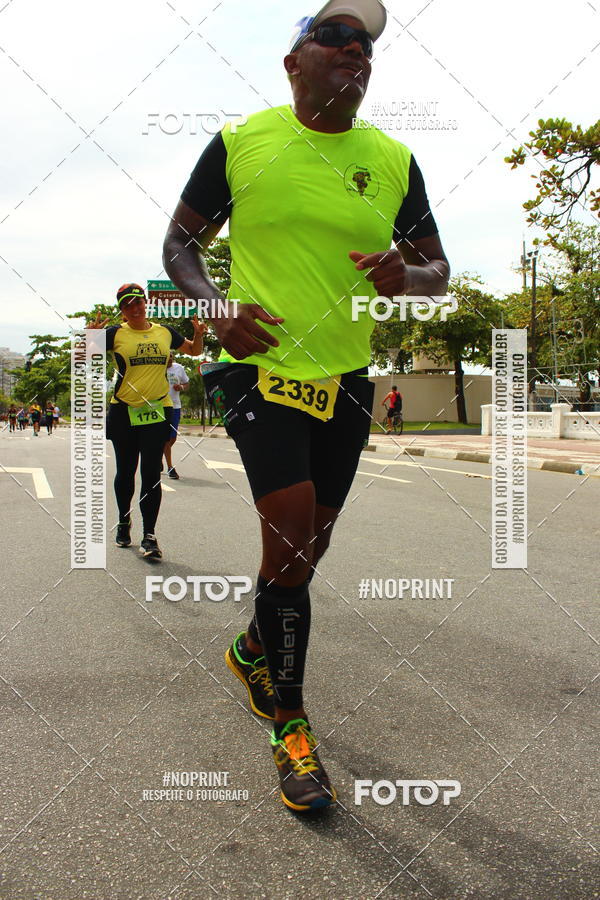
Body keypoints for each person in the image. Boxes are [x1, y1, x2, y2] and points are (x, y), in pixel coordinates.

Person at [163, 0, 449, 811]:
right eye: (335, 36)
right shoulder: (241, 143)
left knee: (305, 555)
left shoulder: (394, 160)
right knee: (290, 541)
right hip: (261, 367)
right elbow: (180, 243)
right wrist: (212, 306)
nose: (354, 50)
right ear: (295, 61)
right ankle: (291, 727)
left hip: (347, 382)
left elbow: (439, 267)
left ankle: (256, 645)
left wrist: (409, 275)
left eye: (364, 45)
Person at [88, 284, 207, 558]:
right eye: (128, 305)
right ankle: (123, 519)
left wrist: (198, 335)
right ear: (122, 311)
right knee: (126, 471)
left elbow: (194, 351)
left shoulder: (164, 332)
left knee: (151, 474)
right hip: (124, 411)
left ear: (145, 303)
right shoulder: (115, 334)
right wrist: (90, 337)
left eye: (138, 302)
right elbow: (83, 356)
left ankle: (150, 536)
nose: (135, 308)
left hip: (157, 410)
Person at [163, 353, 190, 479]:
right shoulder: (156, 368)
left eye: (171, 357)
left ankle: (159, 455)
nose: (169, 360)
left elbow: (187, 383)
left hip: (175, 407)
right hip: (160, 407)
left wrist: (181, 387)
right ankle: (170, 467)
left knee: (172, 438)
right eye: (167, 357)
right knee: (167, 438)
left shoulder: (178, 368)